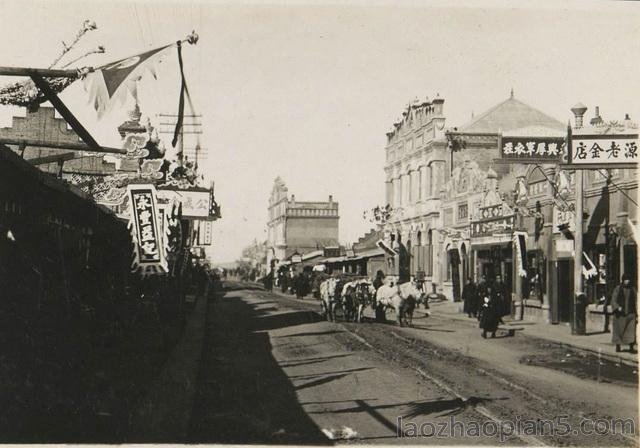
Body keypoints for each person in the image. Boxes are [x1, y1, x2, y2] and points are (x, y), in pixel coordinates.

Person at [611, 273, 637, 353]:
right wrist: (617, 307)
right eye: (626, 280)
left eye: (628, 280)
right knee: (618, 330)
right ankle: (618, 345)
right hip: (620, 314)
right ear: (623, 280)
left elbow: (636, 301)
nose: (627, 281)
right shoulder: (618, 288)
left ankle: (631, 347)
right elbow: (613, 300)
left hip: (630, 313)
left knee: (631, 331)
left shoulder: (633, 289)